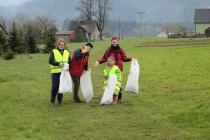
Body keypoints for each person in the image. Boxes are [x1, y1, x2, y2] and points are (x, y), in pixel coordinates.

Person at [95, 36, 133, 102]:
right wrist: (99, 61)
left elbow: (124, 58)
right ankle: (110, 97)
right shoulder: (109, 50)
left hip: (119, 70)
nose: (114, 43)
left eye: (115, 42)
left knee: (119, 84)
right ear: (111, 42)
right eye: (113, 42)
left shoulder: (120, 49)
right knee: (110, 84)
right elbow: (105, 58)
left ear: (118, 42)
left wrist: (131, 59)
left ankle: (119, 98)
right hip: (111, 69)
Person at [49, 38, 71, 106]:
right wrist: (58, 64)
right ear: (57, 45)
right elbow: (50, 61)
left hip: (63, 72)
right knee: (55, 86)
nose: (61, 45)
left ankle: (60, 100)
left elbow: (70, 61)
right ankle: (52, 100)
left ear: (64, 45)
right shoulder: (54, 51)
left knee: (61, 86)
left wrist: (67, 67)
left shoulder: (67, 52)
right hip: (55, 72)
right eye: (60, 44)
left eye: (62, 44)